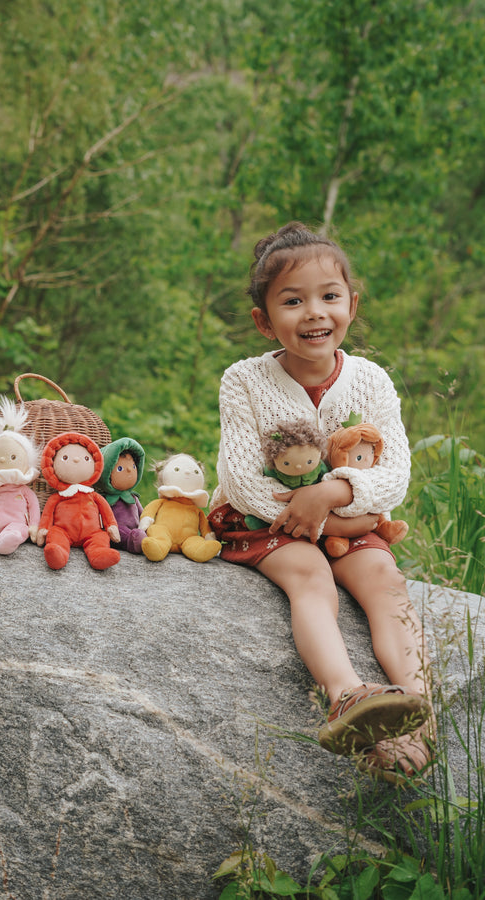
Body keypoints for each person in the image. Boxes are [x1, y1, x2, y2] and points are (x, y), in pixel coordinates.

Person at [208, 221, 434, 781]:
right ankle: (347, 695)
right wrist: (299, 517)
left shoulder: (371, 381)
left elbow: (394, 473)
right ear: (265, 321)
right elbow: (240, 478)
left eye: (329, 297)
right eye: (293, 301)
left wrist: (333, 500)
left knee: (384, 578)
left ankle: (414, 711)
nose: (314, 312)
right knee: (311, 574)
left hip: (347, 516)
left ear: (351, 305)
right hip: (263, 520)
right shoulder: (243, 381)